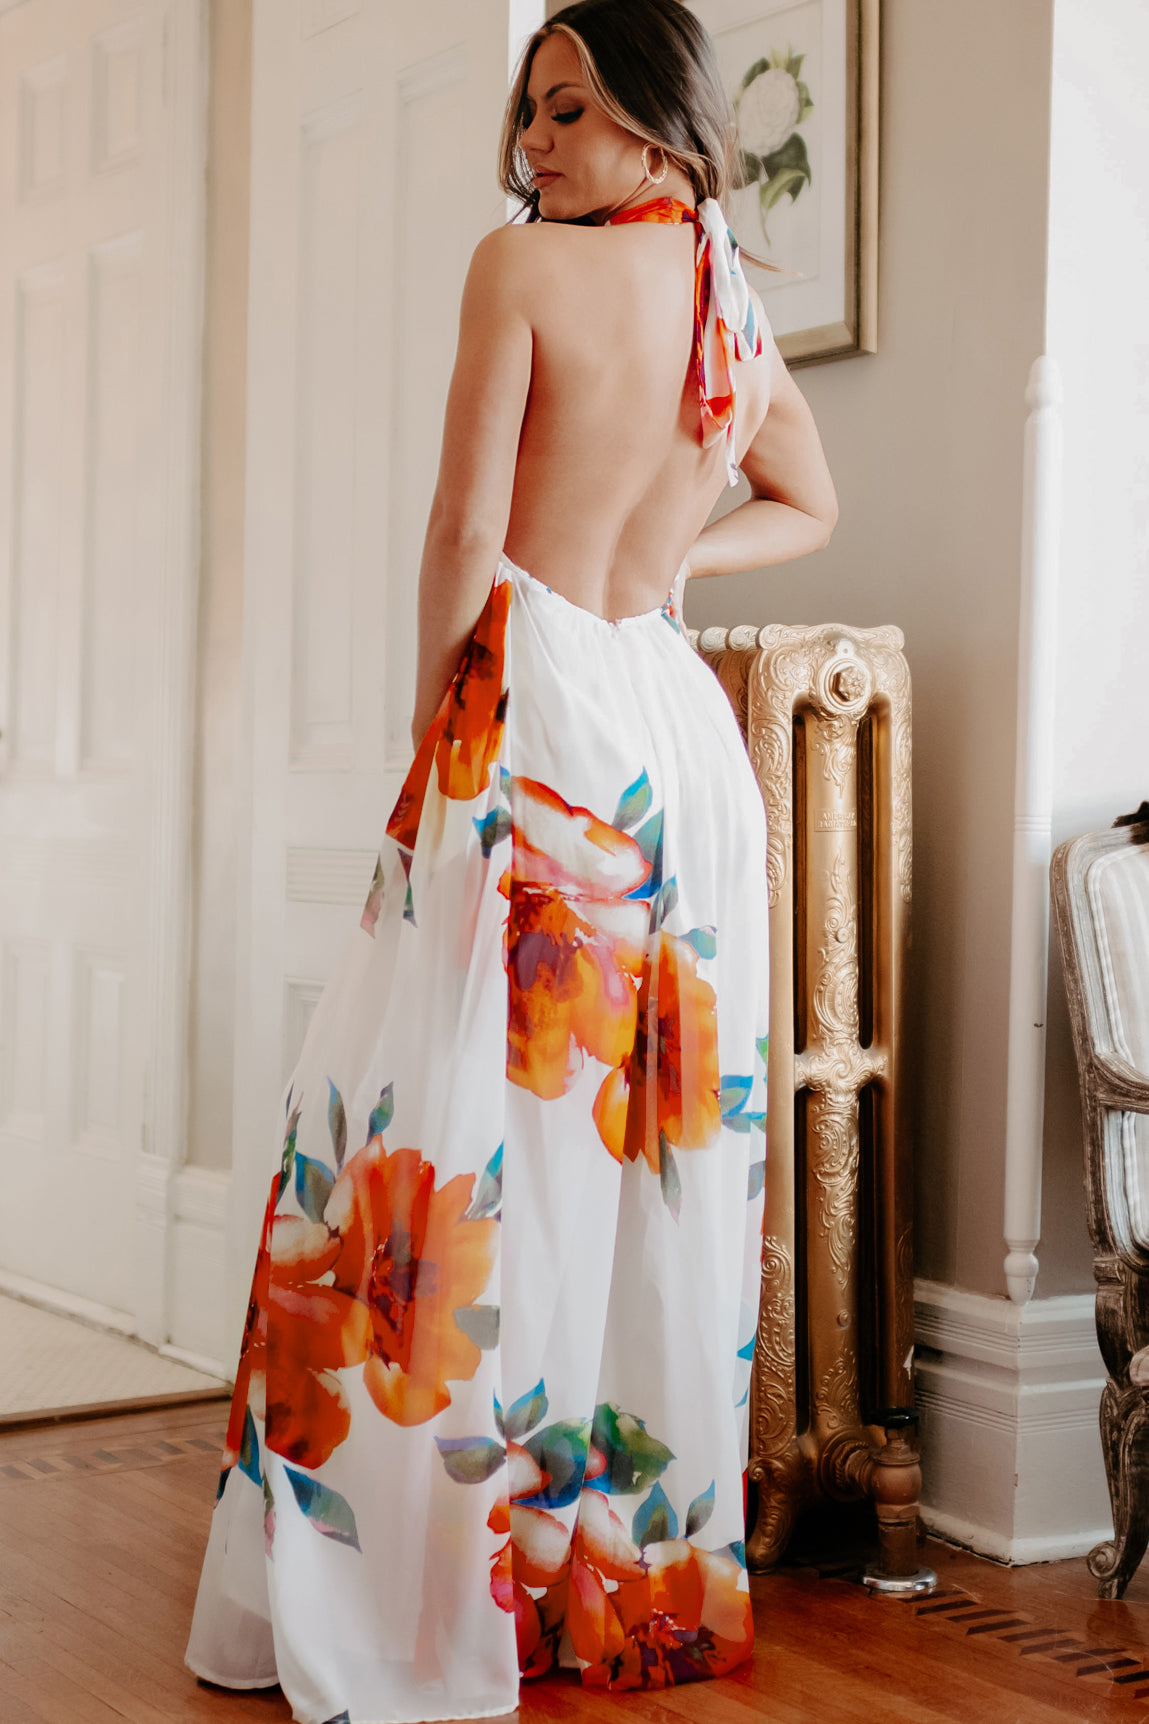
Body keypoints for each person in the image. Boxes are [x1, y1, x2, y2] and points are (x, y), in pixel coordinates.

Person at [184, 2, 837, 1719]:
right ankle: (597, 1583)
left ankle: (419, 1589)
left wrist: (434, 734)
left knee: (446, 1136)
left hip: (538, 713)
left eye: (567, 108)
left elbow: (466, 529)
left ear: (654, 120)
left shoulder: (521, 267)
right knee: (638, 1165)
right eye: (528, 113)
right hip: (668, 738)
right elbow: (808, 501)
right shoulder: (723, 291)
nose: (533, 143)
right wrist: (672, 573)